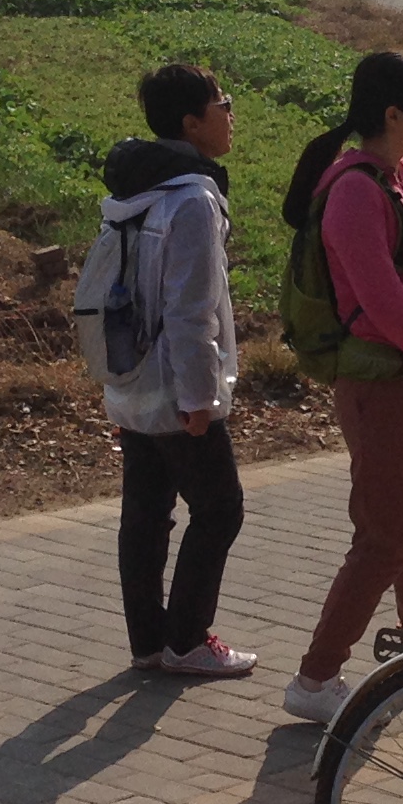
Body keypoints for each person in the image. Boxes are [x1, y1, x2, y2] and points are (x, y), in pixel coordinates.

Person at [279, 51, 403, 726]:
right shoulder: (353, 192)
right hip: (380, 387)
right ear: (393, 115)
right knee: (384, 539)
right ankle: (315, 679)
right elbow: (383, 302)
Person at [99, 61, 254, 679]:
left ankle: (148, 642)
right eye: (223, 105)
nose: (231, 115)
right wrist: (199, 399)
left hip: (131, 375)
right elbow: (191, 311)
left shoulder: (130, 191)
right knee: (220, 508)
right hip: (174, 385)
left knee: (145, 512)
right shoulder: (192, 199)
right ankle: (187, 641)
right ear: (192, 123)